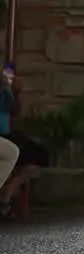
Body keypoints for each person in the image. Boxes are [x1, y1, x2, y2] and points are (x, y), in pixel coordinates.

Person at [0, 63, 48, 216]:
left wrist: (16, 92)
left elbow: (16, 111)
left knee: (39, 154)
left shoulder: (5, 90)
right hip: (3, 136)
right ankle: (5, 198)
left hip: (8, 134)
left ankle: (7, 192)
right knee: (17, 152)